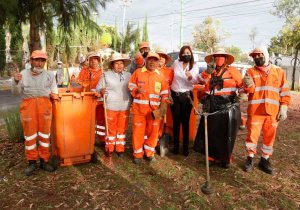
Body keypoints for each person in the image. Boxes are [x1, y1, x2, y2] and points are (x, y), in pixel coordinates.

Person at [243, 46, 291, 174]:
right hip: (256, 111)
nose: (257, 57)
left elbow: (284, 91)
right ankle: (250, 159)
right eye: (254, 56)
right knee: (252, 137)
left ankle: (265, 160)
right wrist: (247, 85)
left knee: (269, 137)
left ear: (265, 55)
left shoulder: (279, 71)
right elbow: (249, 91)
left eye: (259, 55)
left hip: (272, 112)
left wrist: (284, 108)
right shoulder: (250, 71)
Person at [193, 48, 243, 168]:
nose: (219, 58)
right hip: (212, 105)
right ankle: (212, 156)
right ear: (213, 59)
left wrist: (244, 91)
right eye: (216, 56)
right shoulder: (209, 71)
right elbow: (199, 81)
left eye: (221, 56)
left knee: (227, 133)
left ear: (226, 59)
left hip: (228, 105)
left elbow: (241, 87)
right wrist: (207, 73)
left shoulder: (233, 71)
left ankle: (225, 158)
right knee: (212, 132)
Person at [12, 50, 57, 176]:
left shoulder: (49, 75)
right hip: (29, 107)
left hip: (45, 107)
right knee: (30, 136)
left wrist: (55, 96)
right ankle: (31, 162)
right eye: (36, 60)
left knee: (44, 135)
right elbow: (15, 93)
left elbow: (54, 92)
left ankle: (44, 161)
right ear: (31, 60)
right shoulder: (23, 74)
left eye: (42, 60)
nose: (39, 63)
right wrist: (15, 82)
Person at [128, 52, 169, 164]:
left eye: (155, 60)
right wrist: (136, 89)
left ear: (158, 62)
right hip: (139, 110)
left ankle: (149, 153)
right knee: (138, 132)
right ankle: (137, 154)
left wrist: (163, 106)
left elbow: (165, 93)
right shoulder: (138, 72)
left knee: (153, 132)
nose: (152, 62)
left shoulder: (161, 75)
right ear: (146, 60)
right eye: (150, 59)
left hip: (154, 111)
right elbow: (130, 85)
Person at [96, 53, 131, 157]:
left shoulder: (128, 75)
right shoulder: (105, 74)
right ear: (112, 65)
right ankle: (109, 148)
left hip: (125, 106)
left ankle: (120, 149)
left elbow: (132, 88)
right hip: (111, 106)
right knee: (111, 129)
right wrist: (101, 90)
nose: (119, 65)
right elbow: (98, 88)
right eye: (117, 63)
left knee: (122, 128)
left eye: (121, 63)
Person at [170, 45, 199, 156]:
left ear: (191, 54)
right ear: (181, 54)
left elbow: (196, 80)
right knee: (176, 121)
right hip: (175, 95)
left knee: (185, 121)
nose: (186, 54)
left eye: (188, 52)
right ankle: (176, 146)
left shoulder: (194, 66)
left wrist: (190, 77)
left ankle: (185, 147)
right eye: (184, 53)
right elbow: (169, 73)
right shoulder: (176, 64)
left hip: (187, 96)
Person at [77, 52, 106, 145]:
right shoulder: (84, 71)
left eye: (96, 59)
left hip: (100, 101)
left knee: (101, 121)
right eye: (91, 59)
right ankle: (89, 138)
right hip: (87, 101)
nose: (93, 61)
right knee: (88, 121)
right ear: (88, 61)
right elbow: (77, 85)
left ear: (99, 60)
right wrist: (77, 83)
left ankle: (102, 140)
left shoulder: (103, 72)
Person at [156, 51, 174, 141]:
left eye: (163, 57)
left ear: (166, 60)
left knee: (162, 119)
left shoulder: (169, 72)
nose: (160, 59)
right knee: (153, 118)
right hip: (153, 99)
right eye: (159, 56)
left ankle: (160, 136)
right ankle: (152, 138)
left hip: (164, 100)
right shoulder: (151, 70)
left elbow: (172, 84)